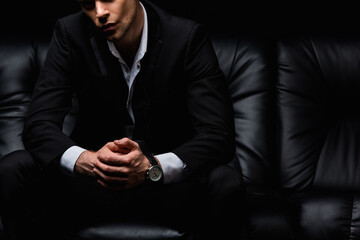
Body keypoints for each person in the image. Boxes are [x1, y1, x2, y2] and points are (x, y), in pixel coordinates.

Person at [0, 0, 243, 239]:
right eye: (87, 4)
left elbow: (218, 134)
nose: (99, 13)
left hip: (165, 187)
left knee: (225, 180)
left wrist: (151, 167)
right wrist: (89, 162)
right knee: (14, 168)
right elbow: (38, 125)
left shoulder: (186, 36)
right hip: (93, 187)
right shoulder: (70, 32)